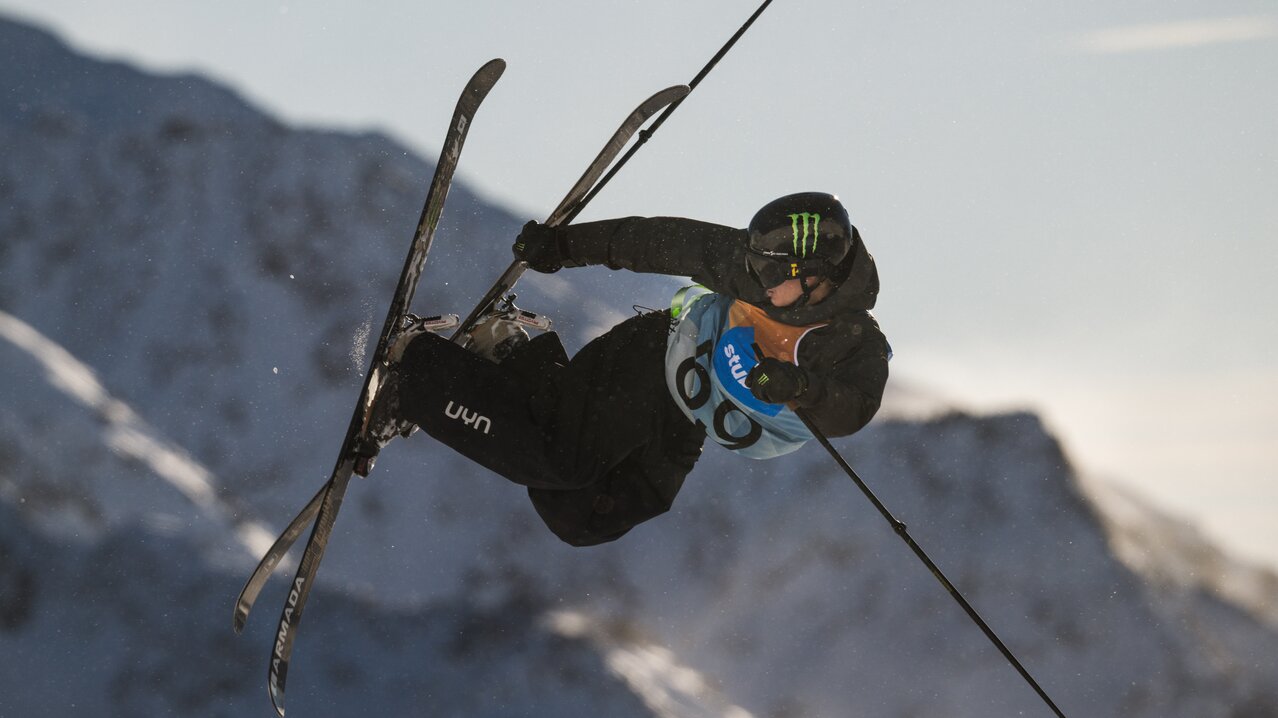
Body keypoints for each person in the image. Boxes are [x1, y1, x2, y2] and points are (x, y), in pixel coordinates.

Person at [358, 191, 890, 546]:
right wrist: (563, 247)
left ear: (817, 275)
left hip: (688, 413)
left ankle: (510, 357)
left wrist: (801, 385)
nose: (757, 278)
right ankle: (415, 372)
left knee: (585, 515)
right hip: (658, 353)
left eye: (772, 272)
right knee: (559, 456)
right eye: (754, 265)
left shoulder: (854, 344)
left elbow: (853, 410)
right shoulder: (751, 269)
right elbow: (657, 241)